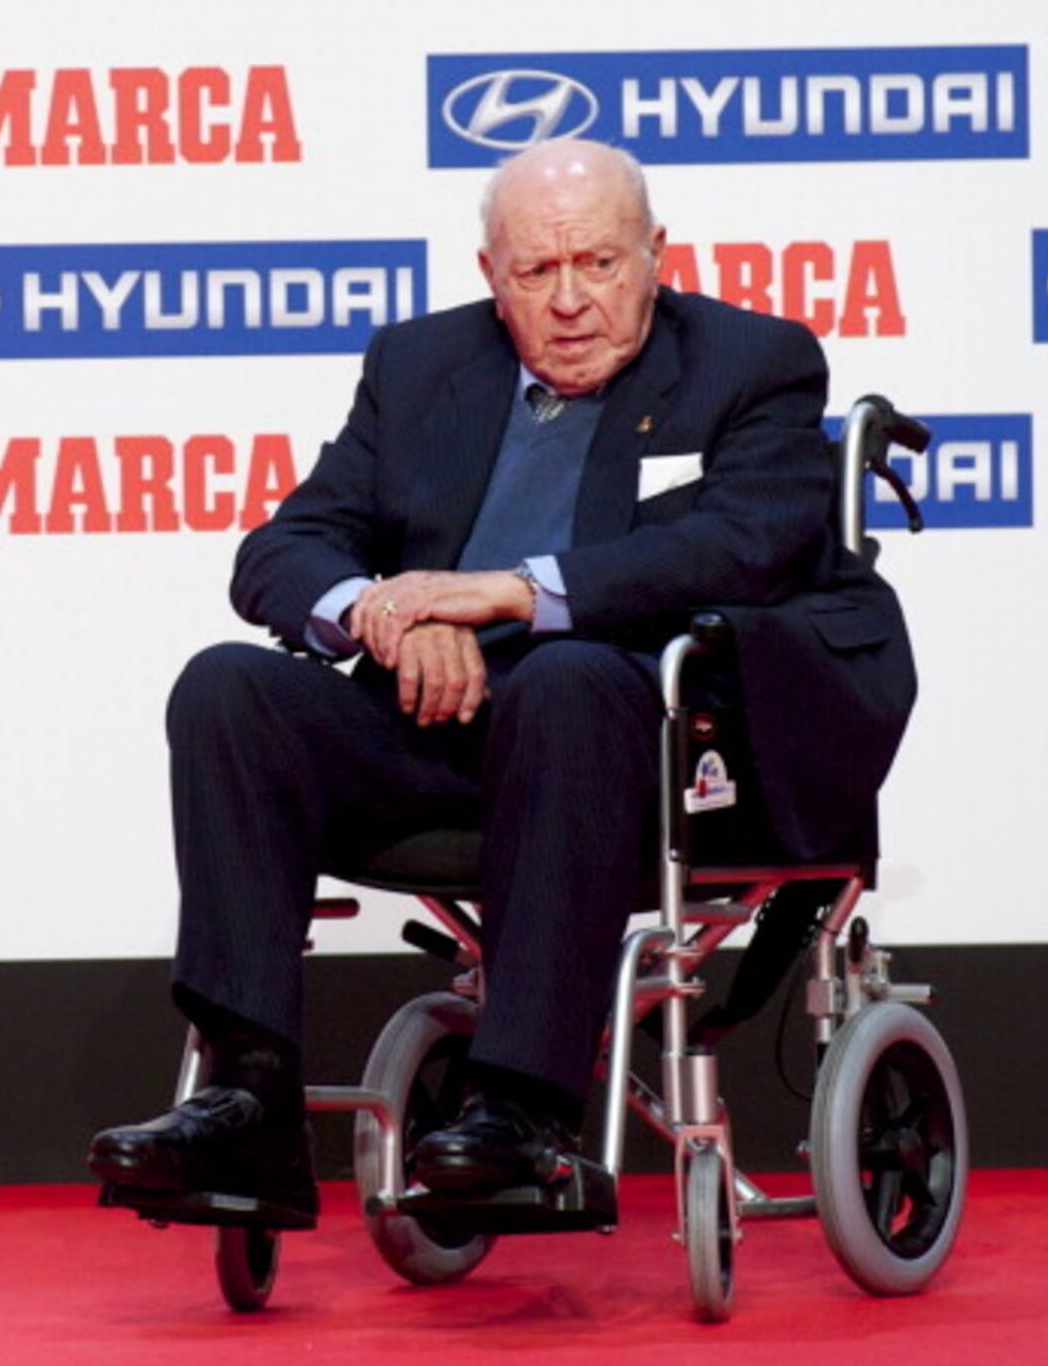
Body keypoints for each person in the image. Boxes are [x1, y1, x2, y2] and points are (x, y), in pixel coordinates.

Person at [89, 137, 915, 1227]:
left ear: (655, 256)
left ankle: (523, 1112)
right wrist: (385, 614)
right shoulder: (420, 365)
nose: (570, 301)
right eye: (536, 271)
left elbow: (742, 544)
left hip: (642, 748)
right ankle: (249, 1102)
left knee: (564, 677)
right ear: (492, 275)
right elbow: (285, 549)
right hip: (439, 723)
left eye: (599, 264)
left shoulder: (752, 362)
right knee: (228, 690)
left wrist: (509, 595)